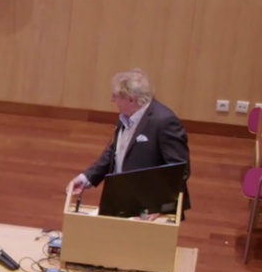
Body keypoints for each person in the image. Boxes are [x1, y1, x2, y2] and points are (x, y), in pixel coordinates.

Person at [66, 69, 191, 214]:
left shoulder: (164, 121)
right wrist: (86, 178)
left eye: (116, 96)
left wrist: (158, 206)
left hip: (149, 208)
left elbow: (179, 170)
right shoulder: (126, 116)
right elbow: (114, 152)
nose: (112, 100)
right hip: (124, 201)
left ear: (131, 99)